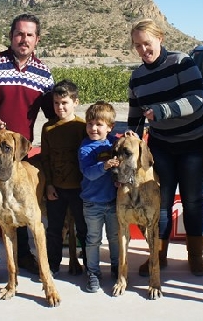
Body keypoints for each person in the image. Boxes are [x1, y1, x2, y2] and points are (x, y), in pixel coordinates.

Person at [0, 13, 55, 291]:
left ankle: (23, 257)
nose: (24, 39)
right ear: (11, 36)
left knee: (20, 206)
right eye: (19, 34)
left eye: (29, 35)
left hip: (20, 156)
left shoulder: (44, 74)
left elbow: (52, 114)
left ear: (37, 39)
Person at [127, 18, 203, 277]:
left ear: (160, 38)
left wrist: (162, 111)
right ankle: (158, 255)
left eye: (147, 43)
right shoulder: (137, 77)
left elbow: (196, 100)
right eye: (138, 45)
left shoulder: (181, 63)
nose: (143, 50)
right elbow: (135, 115)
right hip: (162, 146)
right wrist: (132, 137)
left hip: (196, 143)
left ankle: (195, 255)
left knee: (192, 199)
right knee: (161, 202)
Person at [39, 79, 88, 276]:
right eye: (56, 103)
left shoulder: (82, 127)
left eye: (65, 103)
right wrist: (49, 185)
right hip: (56, 189)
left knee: (83, 229)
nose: (60, 107)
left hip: (79, 189)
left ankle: (89, 265)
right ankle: (53, 265)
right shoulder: (48, 128)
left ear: (75, 102)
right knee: (54, 230)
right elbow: (45, 158)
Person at [78, 101, 120, 293]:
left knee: (115, 238)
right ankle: (93, 272)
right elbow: (89, 173)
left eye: (99, 124)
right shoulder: (85, 148)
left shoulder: (115, 143)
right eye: (90, 124)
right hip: (92, 203)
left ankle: (117, 267)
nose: (93, 128)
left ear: (110, 127)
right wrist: (104, 166)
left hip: (113, 202)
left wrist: (133, 136)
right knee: (93, 239)